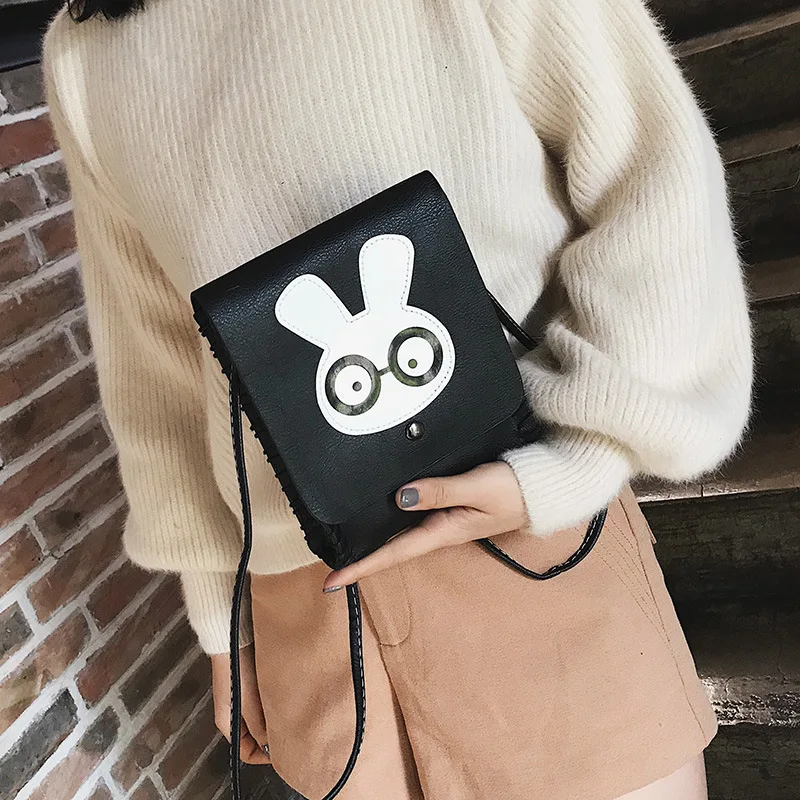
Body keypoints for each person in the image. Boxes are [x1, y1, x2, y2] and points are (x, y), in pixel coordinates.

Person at [43, 0, 753, 797]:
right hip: (311, 612)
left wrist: (579, 457)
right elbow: (158, 369)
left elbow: (651, 172)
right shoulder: (85, 55)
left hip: (524, 536)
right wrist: (224, 623)